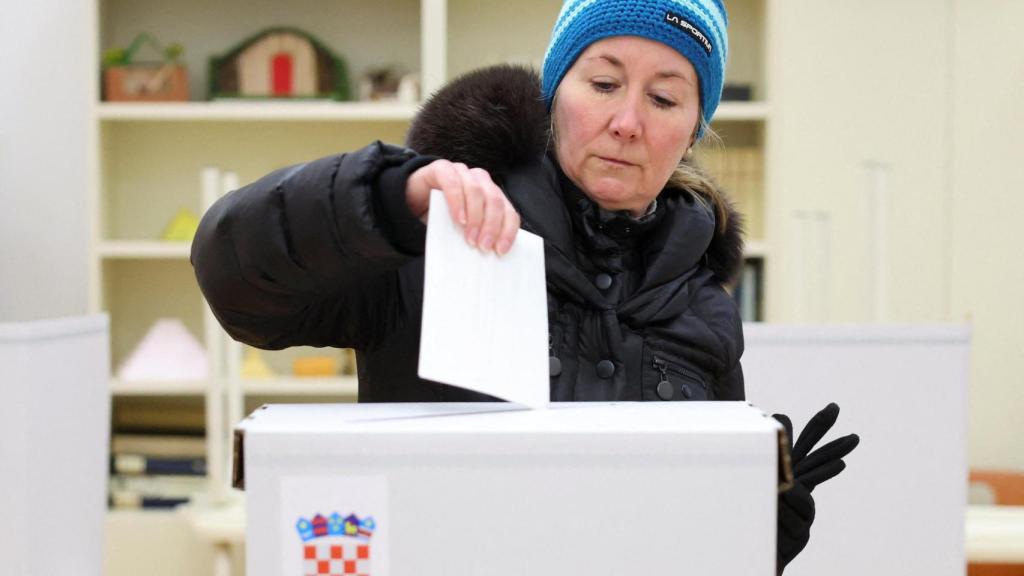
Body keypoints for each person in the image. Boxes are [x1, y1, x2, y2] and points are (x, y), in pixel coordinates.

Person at [191, 0, 858, 572]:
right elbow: (237, 282)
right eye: (602, 83)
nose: (628, 122)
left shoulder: (705, 309)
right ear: (554, 94)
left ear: (692, 130)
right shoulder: (436, 240)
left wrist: (756, 535)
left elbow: (680, 545)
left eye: (663, 98)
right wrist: (387, 199)